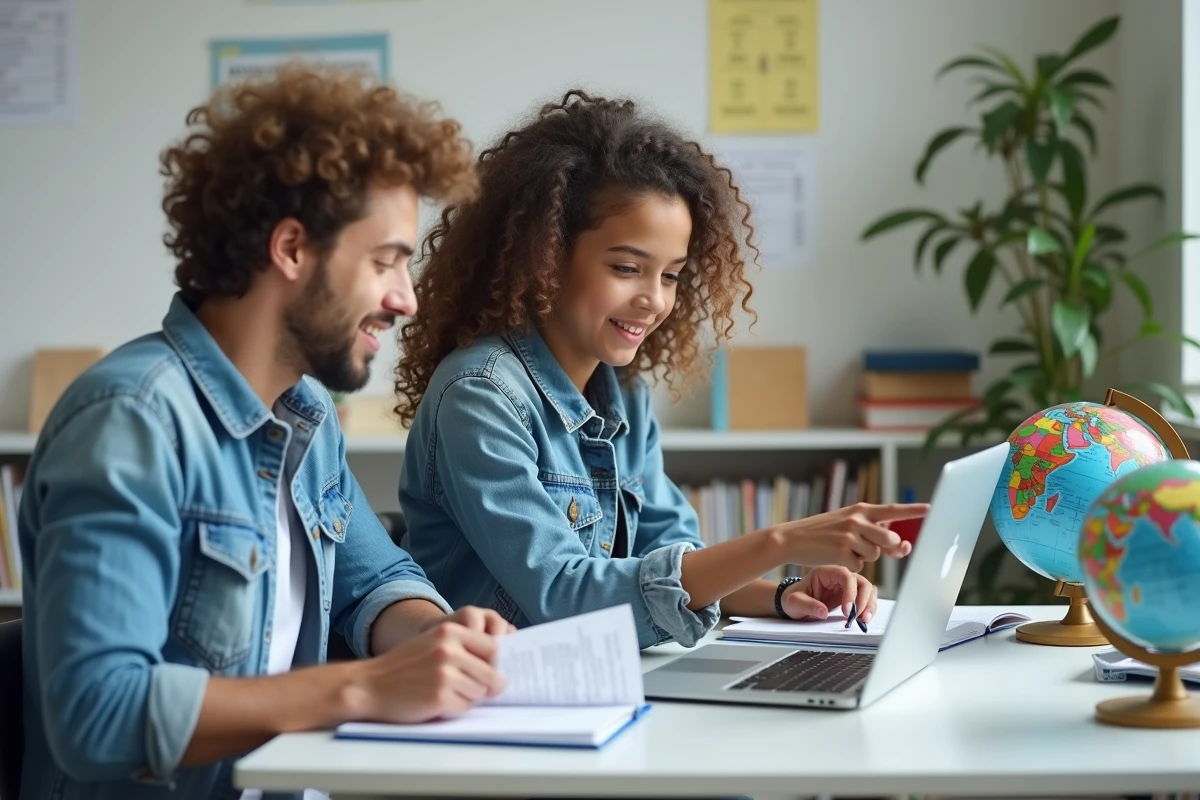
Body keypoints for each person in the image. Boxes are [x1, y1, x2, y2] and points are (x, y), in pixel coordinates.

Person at [17, 64, 513, 800]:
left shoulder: (306, 417)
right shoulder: (130, 421)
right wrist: (363, 687)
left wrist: (438, 642)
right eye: (385, 262)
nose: (405, 300)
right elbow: (97, 711)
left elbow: (374, 581)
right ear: (290, 249)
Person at [393, 90, 928, 651]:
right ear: (544, 257)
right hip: (498, 693)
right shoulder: (480, 395)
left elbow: (671, 565)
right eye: (627, 268)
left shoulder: (621, 393)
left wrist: (784, 594)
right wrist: (780, 540)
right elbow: (562, 594)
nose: (654, 300)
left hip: (597, 680)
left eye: (671, 275)